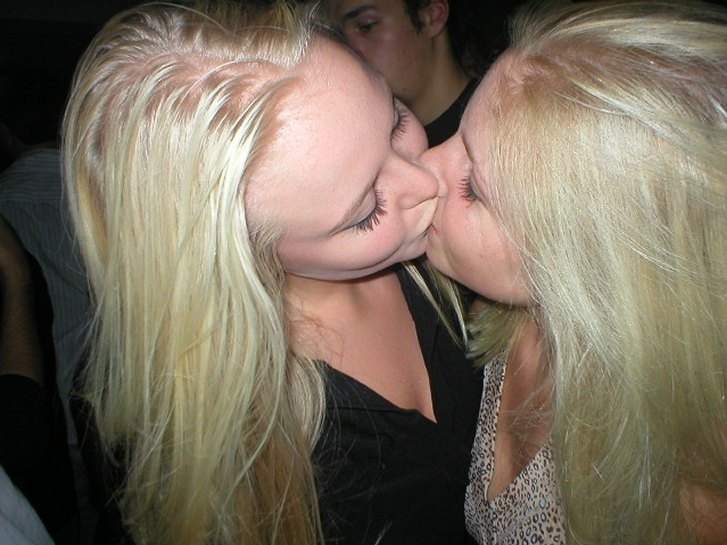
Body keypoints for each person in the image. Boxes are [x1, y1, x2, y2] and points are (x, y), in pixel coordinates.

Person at [62, 2, 482, 545]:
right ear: (238, 257)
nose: (428, 183)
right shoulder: (221, 454)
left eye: (396, 119)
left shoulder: (462, 248)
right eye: (365, 212)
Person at [422, 0, 727, 543]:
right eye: (460, 135)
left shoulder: (687, 485)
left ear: (592, 265)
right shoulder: (497, 310)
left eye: (473, 188)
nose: (424, 166)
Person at [322, 0, 481, 146]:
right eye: (339, 38)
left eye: (367, 26)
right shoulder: (369, 149)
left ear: (433, 16)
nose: (348, 52)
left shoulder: (489, 127)